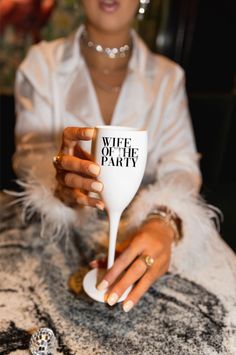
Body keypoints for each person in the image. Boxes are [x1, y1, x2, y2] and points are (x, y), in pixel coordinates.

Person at [13, 0, 236, 316]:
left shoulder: (168, 78)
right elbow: (29, 155)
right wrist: (57, 182)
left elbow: (182, 165)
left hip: (145, 243)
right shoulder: (41, 64)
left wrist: (165, 220)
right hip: (53, 241)